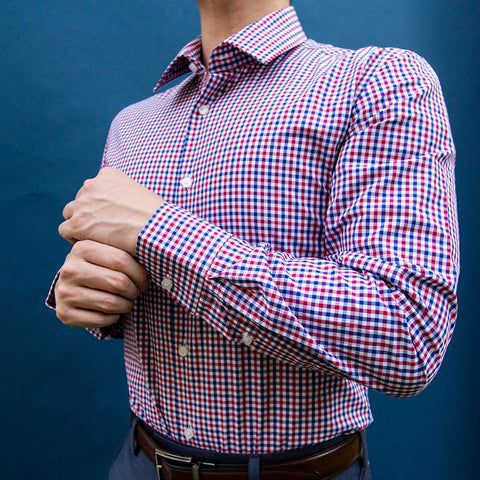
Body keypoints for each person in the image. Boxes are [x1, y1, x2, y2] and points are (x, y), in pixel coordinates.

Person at [46, 0, 460, 478]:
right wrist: (85, 291)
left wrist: (156, 229)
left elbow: (406, 334)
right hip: (138, 462)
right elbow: (120, 269)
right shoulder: (131, 125)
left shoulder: (378, 82)